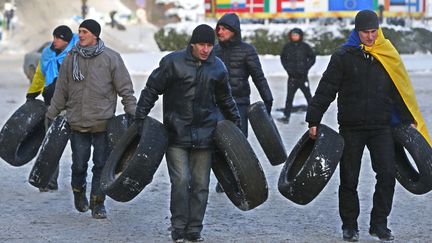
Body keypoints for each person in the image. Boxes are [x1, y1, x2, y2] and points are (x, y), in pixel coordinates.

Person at [306, 10, 430, 242]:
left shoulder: (385, 54)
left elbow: (398, 91)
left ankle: (379, 224)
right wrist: (314, 119)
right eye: (365, 32)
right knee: (349, 179)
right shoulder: (343, 56)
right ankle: (350, 226)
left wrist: (408, 121)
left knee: (386, 175)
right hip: (351, 127)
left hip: (381, 127)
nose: (371, 37)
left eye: (374, 32)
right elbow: (326, 88)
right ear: (357, 31)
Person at [134, 24, 240, 242]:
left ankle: (195, 229)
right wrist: (139, 118)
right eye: (202, 44)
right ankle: (178, 226)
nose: (206, 49)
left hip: (206, 135)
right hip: (176, 134)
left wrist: (235, 126)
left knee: (201, 185)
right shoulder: (173, 62)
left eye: (210, 45)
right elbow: (152, 89)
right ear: (193, 43)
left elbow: (225, 99)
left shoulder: (218, 68)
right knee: (181, 181)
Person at [45, 19, 137, 219]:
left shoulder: (111, 58)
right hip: (77, 122)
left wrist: (133, 112)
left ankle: (98, 203)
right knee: (79, 165)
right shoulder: (71, 58)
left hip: (103, 123)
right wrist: (51, 114)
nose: (81, 35)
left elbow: (125, 89)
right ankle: (79, 193)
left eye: (84, 32)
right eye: (79, 31)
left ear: (95, 35)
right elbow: (61, 90)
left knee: (101, 165)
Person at [214, 12, 273, 193]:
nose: (220, 32)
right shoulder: (214, 51)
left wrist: (268, 99)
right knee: (218, 142)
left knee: (240, 142)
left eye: (224, 29)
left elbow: (258, 77)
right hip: (217, 104)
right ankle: (224, 179)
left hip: (239, 102)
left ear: (233, 31)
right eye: (218, 28)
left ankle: (240, 177)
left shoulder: (247, 50)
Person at [26, 25, 78, 192]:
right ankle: (49, 181)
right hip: (52, 106)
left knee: (79, 146)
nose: (54, 41)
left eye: (59, 38)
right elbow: (40, 75)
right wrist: (33, 93)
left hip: (73, 106)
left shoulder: (77, 53)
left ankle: (79, 184)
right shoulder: (48, 53)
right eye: (54, 37)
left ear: (67, 40)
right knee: (50, 145)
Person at [278, 27, 315, 124]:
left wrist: (306, 68)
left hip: (303, 77)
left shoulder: (305, 46)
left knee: (309, 97)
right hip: (292, 77)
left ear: (300, 36)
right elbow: (283, 59)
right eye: (293, 35)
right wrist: (288, 69)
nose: (294, 37)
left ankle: (314, 118)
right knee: (289, 98)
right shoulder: (287, 47)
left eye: (296, 35)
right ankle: (286, 117)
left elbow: (312, 58)